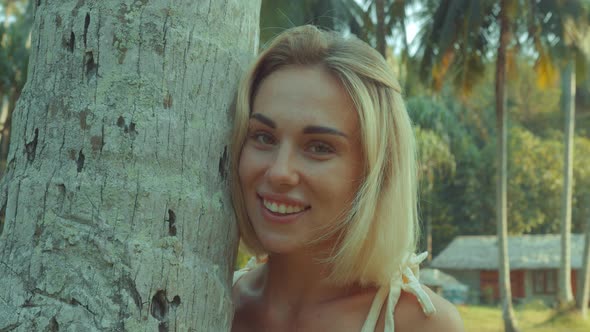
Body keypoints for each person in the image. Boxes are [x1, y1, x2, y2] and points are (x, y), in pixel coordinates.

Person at [229, 25, 464, 332]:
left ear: (374, 171)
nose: (279, 171)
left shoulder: (420, 324)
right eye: (263, 137)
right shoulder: (209, 301)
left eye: (319, 147)